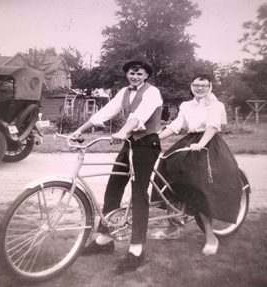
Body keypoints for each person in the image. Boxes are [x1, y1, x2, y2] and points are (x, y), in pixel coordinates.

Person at [70, 58, 163, 274]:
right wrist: (80, 130)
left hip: (147, 144)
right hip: (130, 144)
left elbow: (139, 117)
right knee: (113, 187)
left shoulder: (152, 92)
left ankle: (137, 250)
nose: (135, 76)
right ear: (127, 74)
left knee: (139, 193)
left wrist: (124, 131)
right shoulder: (124, 92)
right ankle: (104, 240)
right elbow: (106, 112)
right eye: (132, 72)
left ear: (146, 76)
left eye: (139, 73)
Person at [151, 73, 242, 255]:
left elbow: (213, 126)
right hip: (190, 140)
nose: (199, 88)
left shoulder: (216, 105)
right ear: (191, 86)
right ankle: (173, 226)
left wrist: (201, 144)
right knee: (165, 168)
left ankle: (211, 237)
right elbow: (176, 125)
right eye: (196, 85)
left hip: (208, 143)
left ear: (210, 87)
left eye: (203, 85)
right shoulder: (186, 105)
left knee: (199, 184)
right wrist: (153, 138)